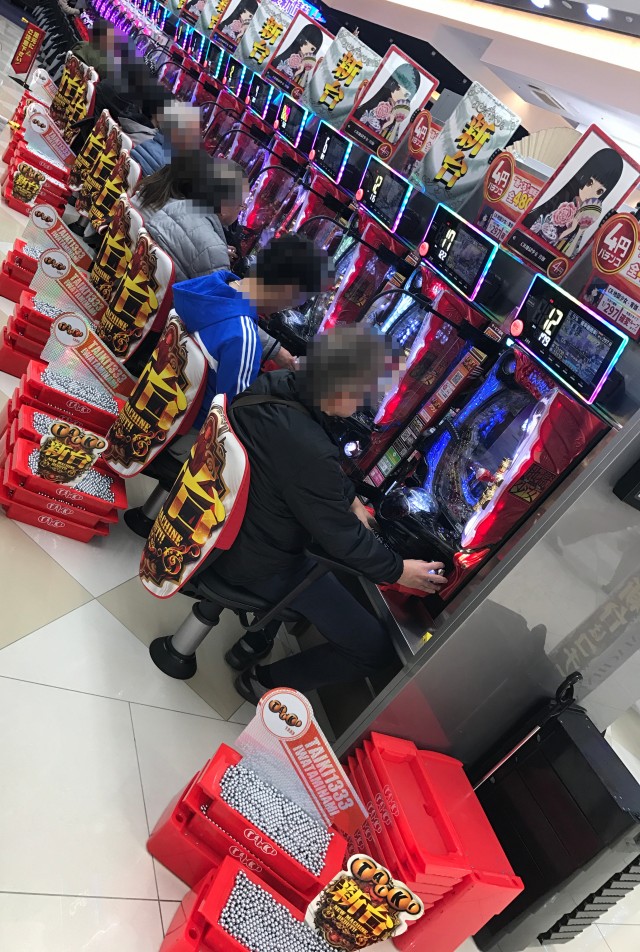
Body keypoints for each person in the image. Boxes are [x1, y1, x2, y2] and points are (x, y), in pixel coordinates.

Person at [212, 325, 448, 702]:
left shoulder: (276, 385)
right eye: (366, 395)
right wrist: (399, 570)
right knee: (374, 649)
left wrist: (350, 498)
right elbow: (341, 537)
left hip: (221, 524)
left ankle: (255, 640)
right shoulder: (309, 449)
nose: (366, 406)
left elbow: (303, 462)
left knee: (336, 562)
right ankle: (261, 681)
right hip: (256, 559)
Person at [123, 233, 331, 536]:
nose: (292, 309)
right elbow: (234, 418)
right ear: (288, 290)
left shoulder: (211, 285)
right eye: (298, 301)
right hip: (180, 433)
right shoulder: (243, 337)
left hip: (151, 401)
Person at [132, 149, 295, 366]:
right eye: (241, 205)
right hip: (150, 338)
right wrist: (276, 351)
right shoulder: (213, 250)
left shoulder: (175, 205)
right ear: (225, 204)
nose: (241, 211)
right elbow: (226, 315)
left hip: (129, 302)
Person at [523, 148, 624, 259]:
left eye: (599, 191)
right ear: (584, 174)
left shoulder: (587, 215)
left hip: (550, 256)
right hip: (529, 243)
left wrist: (579, 230)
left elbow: (570, 253)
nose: (590, 193)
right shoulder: (562, 195)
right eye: (590, 183)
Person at [353, 63, 421, 144]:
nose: (404, 98)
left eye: (407, 95)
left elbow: (391, 143)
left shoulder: (398, 112)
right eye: (405, 94)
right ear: (394, 84)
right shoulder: (377, 97)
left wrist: (394, 122)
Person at [274, 23, 324, 90]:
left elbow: (299, 88)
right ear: (300, 39)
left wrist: (303, 71)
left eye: (312, 49)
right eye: (305, 43)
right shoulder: (286, 55)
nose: (307, 49)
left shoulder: (306, 65)